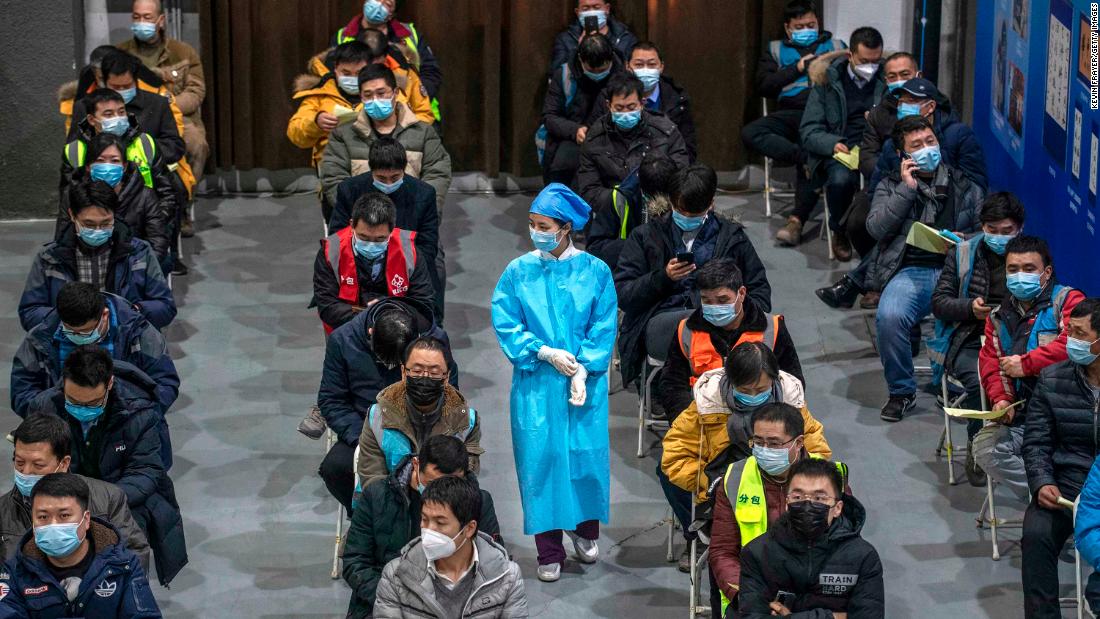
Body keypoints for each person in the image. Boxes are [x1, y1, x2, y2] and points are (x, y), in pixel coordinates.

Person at [491, 184, 617, 583]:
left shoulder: (596, 271)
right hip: (536, 383)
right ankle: (549, 549)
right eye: (531, 224)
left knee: (585, 459)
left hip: (584, 382)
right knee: (539, 461)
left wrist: (583, 367)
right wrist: (543, 351)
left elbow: (604, 324)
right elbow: (507, 322)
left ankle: (584, 531)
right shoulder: (518, 272)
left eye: (543, 225)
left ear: (566, 228)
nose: (535, 231)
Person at [817, 75, 987, 310]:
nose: (904, 105)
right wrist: (896, 194)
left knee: (903, 228)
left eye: (912, 100)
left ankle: (859, 282)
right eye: (902, 101)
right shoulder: (894, 142)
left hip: (946, 201)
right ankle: (871, 280)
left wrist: (940, 178)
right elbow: (879, 180)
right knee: (863, 221)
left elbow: (975, 182)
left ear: (930, 107)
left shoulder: (958, 135)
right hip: (904, 194)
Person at [28, 347, 187, 586]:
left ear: (110, 383)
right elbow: (36, 461)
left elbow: (145, 471)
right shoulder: (45, 407)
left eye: (92, 403)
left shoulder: (140, 412)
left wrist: (98, 502)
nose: (82, 409)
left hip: (123, 500)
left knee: (126, 544)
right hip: (61, 496)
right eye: (73, 401)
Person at [661, 346, 829, 573]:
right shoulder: (706, 406)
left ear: (774, 380)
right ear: (730, 382)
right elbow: (675, 454)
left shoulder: (792, 404)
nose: (752, 396)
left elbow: (818, 451)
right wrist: (713, 485)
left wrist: (801, 485)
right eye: (744, 389)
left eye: (760, 389)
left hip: (784, 493)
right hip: (725, 497)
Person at [866, 115, 983, 422]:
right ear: (904, 156)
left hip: (958, 272)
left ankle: (959, 379)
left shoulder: (965, 185)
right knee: (889, 317)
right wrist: (906, 190)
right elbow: (876, 229)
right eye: (916, 145)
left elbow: (987, 233)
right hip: (912, 272)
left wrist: (965, 240)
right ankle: (902, 391)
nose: (926, 149)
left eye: (930, 142)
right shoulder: (890, 185)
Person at [615, 163, 771, 390]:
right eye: (681, 211)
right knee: (691, 328)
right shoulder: (645, 236)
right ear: (671, 202)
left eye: (694, 214)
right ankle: (669, 389)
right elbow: (624, 294)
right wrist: (663, 278)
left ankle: (713, 390)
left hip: (722, 327)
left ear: (711, 204)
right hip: (664, 322)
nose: (687, 217)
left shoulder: (733, 239)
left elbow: (760, 292)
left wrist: (736, 311)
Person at [11, 282, 180, 470]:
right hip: (63, 440)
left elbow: (165, 383)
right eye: (70, 331)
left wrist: (137, 419)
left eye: (85, 332)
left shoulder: (139, 333)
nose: (78, 337)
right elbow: (22, 389)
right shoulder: (40, 337)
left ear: (104, 315)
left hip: (125, 437)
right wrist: (49, 417)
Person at [316, 299, 457, 510]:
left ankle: (423, 520)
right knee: (335, 468)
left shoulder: (434, 342)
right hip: (365, 428)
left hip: (422, 428)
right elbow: (332, 400)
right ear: (371, 333)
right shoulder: (343, 340)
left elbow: (450, 395)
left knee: (442, 469)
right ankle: (365, 518)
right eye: (384, 362)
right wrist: (364, 437)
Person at [972, 236, 1084, 501]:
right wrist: (1001, 399)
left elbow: (1075, 344)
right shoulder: (997, 316)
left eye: (1029, 268)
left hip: (1069, 417)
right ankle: (1051, 498)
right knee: (985, 448)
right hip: (1026, 418)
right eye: (1013, 269)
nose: (1020, 275)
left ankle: (1071, 503)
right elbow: (992, 362)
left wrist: (1027, 363)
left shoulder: (1067, 302)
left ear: (1046, 273)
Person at [709, 404, 845, 617]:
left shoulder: (830, 479)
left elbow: (845, 549)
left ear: (798, 443)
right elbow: (722, 551)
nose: (764, 450)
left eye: (773, 443)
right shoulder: (735, 477)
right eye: (758, 442)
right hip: (753, 589)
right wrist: (749, 596)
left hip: (815, 592)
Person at [342, 436, 502, 617]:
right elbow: (355, 562)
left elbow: (492, 567)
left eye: (452, 484)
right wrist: (397, 600)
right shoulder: (376, 496)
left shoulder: (480, 502)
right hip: (385, 600)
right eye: (433, 483)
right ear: (416, 465)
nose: (443, 494)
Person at [929, 192, 1026, 486]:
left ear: (1019, 228)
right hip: (969, 338)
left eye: (1006, 231)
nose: (999, 237)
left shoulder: (1030, 256)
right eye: (991, 230)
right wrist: (970, 309)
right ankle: (978, 446)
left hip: (1017, 338)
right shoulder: (963, 253)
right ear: (982, 226)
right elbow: (939, 302)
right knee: (981, 382)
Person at [1021, 298, 1100, 617]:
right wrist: (1042, 482)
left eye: (1080, 334)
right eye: (1068, 331)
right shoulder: (1052, 379)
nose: (1070, 341)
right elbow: (1036, 442)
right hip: (1066, 486)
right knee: (1036, 535)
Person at [742, 0, 845, 239]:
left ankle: (796, 221)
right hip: (791, 111)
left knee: (811, 141)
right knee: (751, 132)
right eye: (800, 26)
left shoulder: (837, 45)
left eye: (812, 24)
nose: (807, 29)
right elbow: (764, 85)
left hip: (823, 114)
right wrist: (797, 68)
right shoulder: (776, 49)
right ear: (788, 28)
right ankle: (804, 157)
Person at [0, 413, 151, 571]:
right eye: (19, 463)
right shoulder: (3, 512)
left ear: (64, 463)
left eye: (38, 465)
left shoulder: (107, 499)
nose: (26, 472)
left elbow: (134, 552)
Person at [18, 181, 175, 332]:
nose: (98, 230)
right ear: (72, 215)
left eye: (106, 223)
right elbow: (29, 312)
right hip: (68, 338)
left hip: (125, 340)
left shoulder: (139, 253)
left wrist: (133, 312)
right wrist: (72, 320)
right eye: (89, 225)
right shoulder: (50, 258)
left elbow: (165, 306)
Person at [737, 458, 883, 618]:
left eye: (819, 498)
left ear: (838, 508)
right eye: (798, 497)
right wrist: (833, 617)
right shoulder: (757, 553)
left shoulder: (862, 557)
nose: (807, 505)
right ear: (787, 503)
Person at [0, 473, 161, 618]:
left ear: (86, 519)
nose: (53, 524)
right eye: (43, 517)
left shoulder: (123, 565)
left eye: (64, 515)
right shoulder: (15, 573)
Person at [659, 258, 802, 418]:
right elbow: (672, 385)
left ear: (741, 293)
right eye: (707, 300)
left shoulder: (772, 328)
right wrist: (690, 423)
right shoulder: (686, 331)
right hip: (704, 420)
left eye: (722, 300)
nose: (714, 307)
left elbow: (792, 382)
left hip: (761, 420)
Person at [373, 476, 528, 617]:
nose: (429, 530)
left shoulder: (506, 577)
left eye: (440, 523)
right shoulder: (396, 575)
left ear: (469, 528)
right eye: (425, 520)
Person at [795, 26, 886, 260]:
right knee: (840, 180)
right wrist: (832, 143)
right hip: (842, 149)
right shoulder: (827, 81)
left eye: (876, 61)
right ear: (850, 56)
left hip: (877, 147)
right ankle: (840, 230)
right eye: (865, 61)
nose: (871, 67)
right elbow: (809, 130)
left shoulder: (887, 80)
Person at [330, 138, 443, 320]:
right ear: (371, 170)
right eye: (381, 178)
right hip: (359, 269)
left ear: (404, 170)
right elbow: (337, 237)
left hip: (408, 270)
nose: (388, 184)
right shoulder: (349, 189)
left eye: (395, 178)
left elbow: (427, 245)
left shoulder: (424, 193)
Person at [321, 63, 451, 214]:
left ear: (395, 93)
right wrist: (364, 217)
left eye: (381, 93)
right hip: (362, 225)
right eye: (368, 95)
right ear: (361, 97)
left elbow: (437, 174)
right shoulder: (342, 135)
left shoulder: (423, 132)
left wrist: (420, 211)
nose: (375, 100)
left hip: (412, 219)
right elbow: (334, 179)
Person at [58, 89, 177, 249]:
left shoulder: (145, 143)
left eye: (121, 112)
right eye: (108, 114)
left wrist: (151, 221)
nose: (118, 118)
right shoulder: (75, 151)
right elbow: (68, 204)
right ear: (92, 119)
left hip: (141, 229)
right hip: (92, 231)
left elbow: (167, 194)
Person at [357, 337, 481, 489]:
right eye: (417, 371)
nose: (425, 377)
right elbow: (372, 481)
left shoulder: (467, 421)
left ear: (446, 376)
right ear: (403, 372)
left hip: (444, 502)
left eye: (434, 372)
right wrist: (407, 479)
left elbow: (466, 480)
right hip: (390, 501)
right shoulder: (377, 416)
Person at [116, 0, 208, 193]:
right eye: (136, 17)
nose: (141, 22)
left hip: (177, 115)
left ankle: (184, 199)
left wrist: (168, 105)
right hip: (132, 115)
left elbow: (195, 91)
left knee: (197, 145)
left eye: (147, 17)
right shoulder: (120, 53)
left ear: (161, 20)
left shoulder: (184, 52)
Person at [312, 193, 435, 334]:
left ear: (392, 229)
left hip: (397, 332)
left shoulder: (409, 252)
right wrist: (370, 318)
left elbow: (423, 304)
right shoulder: (331, 251)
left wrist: (384, 314)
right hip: (345, 331)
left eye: (380, 238)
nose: (371, 244)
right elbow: (327, 306)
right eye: (363, 237)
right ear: (352, 224)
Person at [576, 74, 689, 214]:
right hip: (613, 213)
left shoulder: (666, 131)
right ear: (608, 105)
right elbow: (589, 190)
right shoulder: (594, 138)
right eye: (619, 108)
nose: (625, 113)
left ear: (642, 103)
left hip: (659, 210)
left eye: (631, 107)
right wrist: (621, 200)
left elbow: (681, 176)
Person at [60, 132, 173, 269]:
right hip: (85, 265)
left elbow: (157, 241)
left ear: (124, 166)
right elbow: (62, 240)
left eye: (114, 161)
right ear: (89, 166)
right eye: (100, 160)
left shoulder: (145, 196)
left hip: (134, 265)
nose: (107, 167)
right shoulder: (72, 195)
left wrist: (137, 271)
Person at [68, 50, 185, 166]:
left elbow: (174, 147)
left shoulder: (157, 104)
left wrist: (140, 150)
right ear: (104, 82)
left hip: (148, 174)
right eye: (116, 87)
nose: (122, 90)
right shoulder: (84, 106)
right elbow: (74, 150)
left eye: (127, 86)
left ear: (136, 80)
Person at [332, 0, 443, 121]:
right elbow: (329, 78)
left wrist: (412, 99)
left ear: (392, 13)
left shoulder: (409, 35)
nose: (379, 5)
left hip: (414, 113)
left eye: (387, 4)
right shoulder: (343, 36)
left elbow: (431, 72)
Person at [540, 33, 625, 186]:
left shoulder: (623, 75)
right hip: (572, 138)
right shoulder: (564, 75)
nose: (598, 74)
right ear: (580, 59)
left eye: (603, 69)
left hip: (611, 136)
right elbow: (550, 116)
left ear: (611, 58)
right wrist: (575, 130)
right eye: (592, 69)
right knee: (562, 169)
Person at [591, 41, 697, 160]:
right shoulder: (609, 96)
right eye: (639, 65)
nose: (646, 70)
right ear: (627, 66)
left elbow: (688, 147)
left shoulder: (678, 99)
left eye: (651, 64)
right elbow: (594, 142)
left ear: (661, 67)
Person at [288, 41, 377, 173]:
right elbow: (295, 134)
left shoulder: (385, 92)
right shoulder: (319, 94)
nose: (353, 78)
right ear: (335, 69)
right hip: (332, 166)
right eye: (346, 73)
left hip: (376, 164)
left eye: (359, 73)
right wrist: (316, 121)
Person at [585, 152, 678, 271]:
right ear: (642, 188)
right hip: (629, 272)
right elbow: (595, 248)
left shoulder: (681, 194)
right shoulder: (618, 199)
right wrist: (635, 245)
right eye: (655, 200)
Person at [548, 0, 638, 73]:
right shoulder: (565, 39)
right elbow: (556, 74)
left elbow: (633, 73)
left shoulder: (625, 37)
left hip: (615, 92)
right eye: (585, 9)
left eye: (596, 7)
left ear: (607, 9)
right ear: (577, 12)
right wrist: (578, 50)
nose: (591, 12)